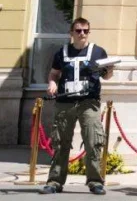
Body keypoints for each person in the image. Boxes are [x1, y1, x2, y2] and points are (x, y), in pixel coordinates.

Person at [40, 18, 114, 196]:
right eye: (79, 30)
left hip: (89, 102)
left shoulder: (98, 51)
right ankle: (55, 181)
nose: (82, 34)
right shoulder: (61, 52)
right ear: (71, 33)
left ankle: (95, 181)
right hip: (65, 102)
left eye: (86, 31)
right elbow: (54, 73)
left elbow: (107, 76)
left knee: (92, 141)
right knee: (60, 142)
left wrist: (109, 69)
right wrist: (52, 84)